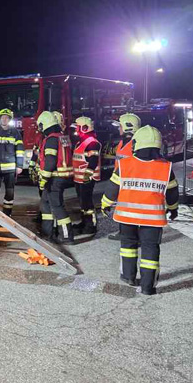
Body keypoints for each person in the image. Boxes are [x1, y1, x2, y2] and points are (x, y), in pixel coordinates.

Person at [100, 125, 179, 295]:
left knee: (128, 246)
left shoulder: (124, 164)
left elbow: (112, 189)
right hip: (153, 219)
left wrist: (105, 204)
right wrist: (173, 209)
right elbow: (172, 193)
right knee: (150, 249)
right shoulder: (166, 167)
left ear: (137, 144)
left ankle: (128, 276)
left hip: (126, 217)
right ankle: (147, 287)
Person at [36, 110, 74, 243]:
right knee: (45, 204)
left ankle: (67, 236)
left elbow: (50, 161)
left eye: (40, 126)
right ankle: (48, 233)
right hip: (61, 176)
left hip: (55, 178)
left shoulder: (51, 139)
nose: (39, 129)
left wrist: (43, 179)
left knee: (57, 206)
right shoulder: (61, 136)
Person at [107, 113, 141, 241]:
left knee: (132, 210)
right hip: (121, 181)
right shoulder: (123, 142)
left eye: (120, 126)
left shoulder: (135, 144)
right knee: (122, 209)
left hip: (130, 182)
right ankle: (123, 232)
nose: (118, 128)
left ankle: (134, 236)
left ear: (128, 127)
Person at [72, 116, 101, 235]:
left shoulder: (92, 143)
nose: (76, 130)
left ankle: (90, 226)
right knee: (82, 202)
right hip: (79, 178)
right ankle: (84, 223)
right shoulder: (82, 141)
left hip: (87, 178)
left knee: (87, 203)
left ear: (84, 128)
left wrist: (87, 175)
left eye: (78, 127)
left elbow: (93, 161)